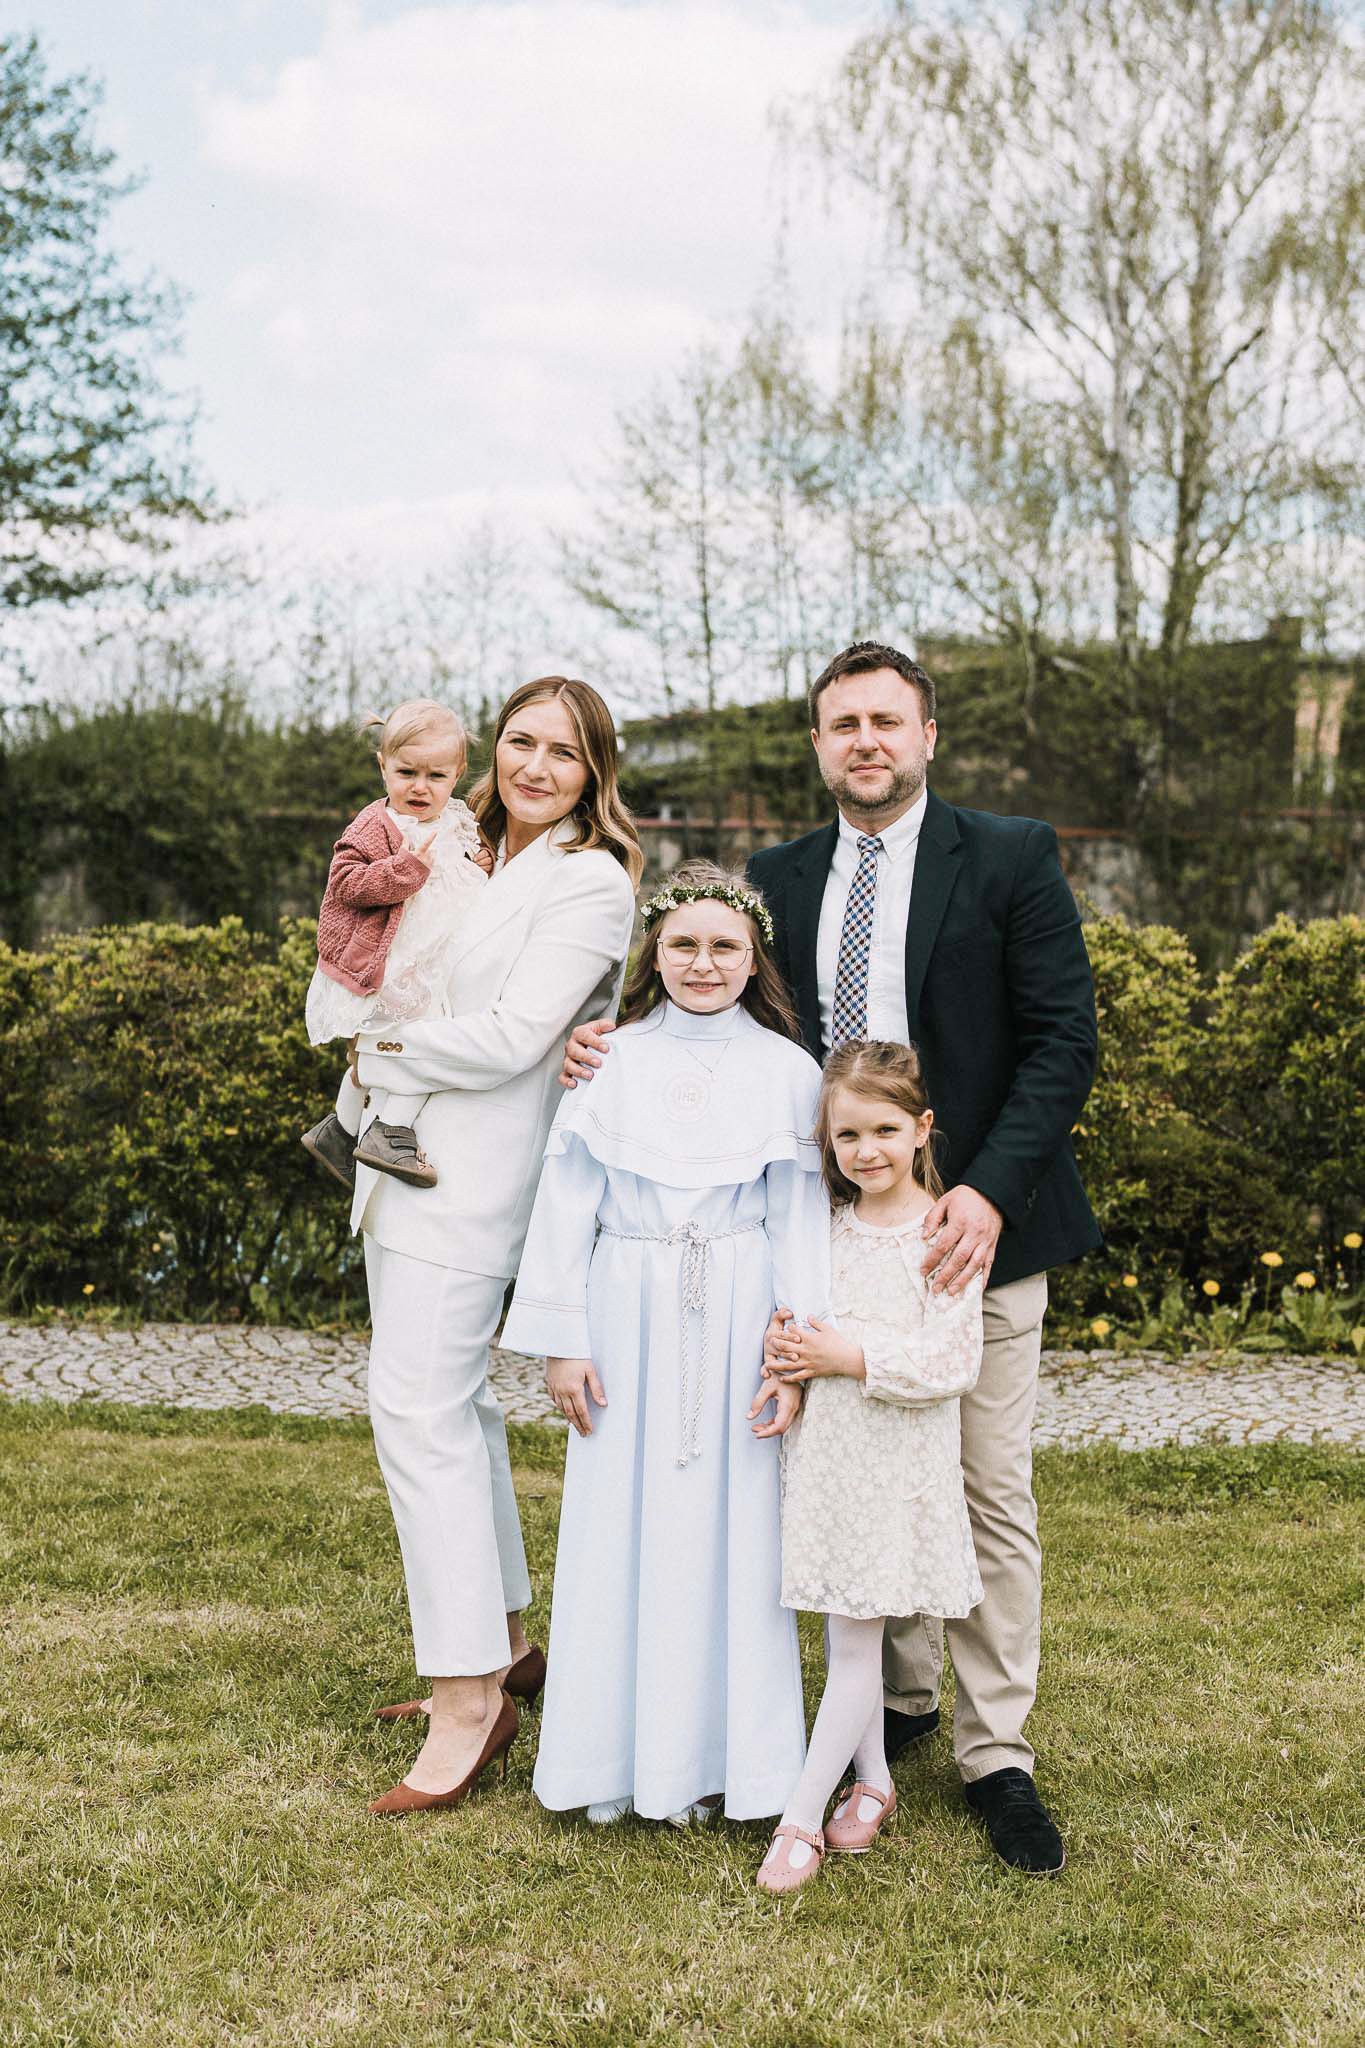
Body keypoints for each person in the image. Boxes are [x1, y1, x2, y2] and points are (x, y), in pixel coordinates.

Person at [563, 641, 1099, 1875]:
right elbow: (730, 1021)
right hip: (829, 1238)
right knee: (858, 1469)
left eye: (886, 720)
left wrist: (984, 1191)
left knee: (983, 1487)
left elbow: (1063, 1040)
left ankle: (996, 1752)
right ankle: (894, 1703)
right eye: (843, 723)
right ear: (818, 744)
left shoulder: (1009, 854)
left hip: (974, 1234)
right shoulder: (782, 875)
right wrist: (612, 1041)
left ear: (926, 736)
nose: (866, 740)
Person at [353, 676, 642, 1817]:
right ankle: (509, 1643)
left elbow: (519, 1036)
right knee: (456, 1409)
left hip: (473, 1182)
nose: (534, 765)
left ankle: (468, 1695)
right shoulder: (460, 847)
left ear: (592, 772)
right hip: (400, 1169)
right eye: (520, 740)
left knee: (416, 1413)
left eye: (563, 752)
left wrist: (380, 1045)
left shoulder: (588, 879)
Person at [501, 862, 830, 1827]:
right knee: (618, 1526)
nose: (703, 963)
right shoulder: (610, 1059)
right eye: (683, 944)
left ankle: (734, 1764)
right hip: (625, 1305)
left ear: (753, 959)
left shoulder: (788, 1070)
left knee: (735, 1534)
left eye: (725, 946)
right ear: (654, 952)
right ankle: (609, 1759)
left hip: (739, 1310)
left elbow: (798, 1218)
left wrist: (793, 1353)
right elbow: (567, 1202)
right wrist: (563, 1340)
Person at [752, 1040, 983, 1895]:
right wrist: (787, 1360)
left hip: (895, 1470)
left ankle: (799, 1816)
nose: (865, 1151)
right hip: (825, 1463)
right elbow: (795, 1323)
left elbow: (952, 1360)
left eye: (884, 1130)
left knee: (853, 1645)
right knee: (841, 1631)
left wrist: (849, 1356)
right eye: (846, 1135)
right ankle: (876, 1780)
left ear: (921, 1128)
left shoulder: (941, 1237)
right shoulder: (825, 1230)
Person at [301, 698, 493, 1193]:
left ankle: (340, 1130)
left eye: (436, 775)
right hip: (393, 963)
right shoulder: (375, 827)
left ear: (458, 774)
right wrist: (404, 871)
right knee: (424, 1044)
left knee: (382, 1053)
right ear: (383, 766)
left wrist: (482, 864)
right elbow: (347, 883)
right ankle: (391, 1130)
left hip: (436, 958)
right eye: (407, 772)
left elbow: (461, 867)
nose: (420, 787)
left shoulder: (455, 819)